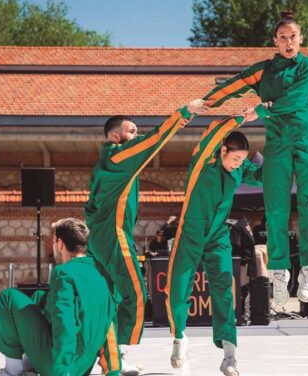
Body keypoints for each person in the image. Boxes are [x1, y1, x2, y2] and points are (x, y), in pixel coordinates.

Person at [202, 10, 308, 306]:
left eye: (292, 36)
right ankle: (280, 271)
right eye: (282, 37)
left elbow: (298, 97)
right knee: (275, 208)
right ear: (275, 41)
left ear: (300, 39)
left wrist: (262, 109)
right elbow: (235, 84)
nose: (288, 41)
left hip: (306, 136)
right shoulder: (264, 70)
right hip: (278, 141)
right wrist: (207, 102)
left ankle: (307, 269)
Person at [84, 99, 208, 375]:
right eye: (132, 130)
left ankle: (106, 356)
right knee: (136, 293)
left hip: (101, 235)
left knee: (110, 298)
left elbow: (89, 205)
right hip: (113, 234)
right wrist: (184, 113)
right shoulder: (119, 156)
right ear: (116, 136)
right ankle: (118, 353)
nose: (137, 135)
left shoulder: (104, 164)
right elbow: (154, 141)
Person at [165, 124, 262, 376]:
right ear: (222, 151)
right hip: (190, 235)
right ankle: (179, 339)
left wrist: (290, 162)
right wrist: (241, 117)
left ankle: (229, 356)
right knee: (177, 290)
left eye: (242, 160)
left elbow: (264, 175)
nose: (238, 163)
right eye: (235, 158)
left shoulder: (239, 170)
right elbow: (214, 132)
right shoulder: (203, 161)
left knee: (224, 292)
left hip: (218, 236)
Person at [0, 218, 119, 376]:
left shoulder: (63, 273)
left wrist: (62, 371)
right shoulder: (100, 275)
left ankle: (13, 370)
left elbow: (65, 324)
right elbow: (110, 326)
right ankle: (30, 362)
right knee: (39, 297)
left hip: (59, 367)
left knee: (8, 297)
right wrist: (113, 371)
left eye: (53, 241)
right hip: (82, 367)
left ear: (60, 243)